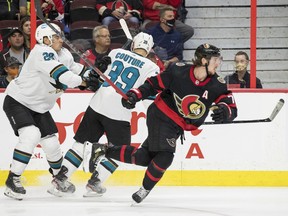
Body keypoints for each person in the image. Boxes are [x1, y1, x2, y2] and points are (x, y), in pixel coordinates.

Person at [85, 43, 238, 203]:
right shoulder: (179, 71)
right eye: (215, 59)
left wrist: (224, 112)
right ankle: (144, 189)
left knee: (144, 157)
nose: (219, 62)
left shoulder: (217, 84)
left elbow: (231, 106)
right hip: (161, 115)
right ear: (204, 61)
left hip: (176, 125)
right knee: (165, 156)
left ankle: (102, 151)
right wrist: (136, 94)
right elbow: (153, 84)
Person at [49, 32, 160, 197]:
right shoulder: (152, 67)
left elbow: (101, 80)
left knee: (81, 143)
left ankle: (60, 180)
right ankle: (95, 183)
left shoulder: (116, 53)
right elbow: (149, 98)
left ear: (133, 44)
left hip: (97, 103)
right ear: (149, 49)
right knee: (121, 151)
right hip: (118, 112)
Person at [2, 23, 100, 200]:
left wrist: (94, 72)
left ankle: (58, 180)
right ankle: (12, 180)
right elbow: (64, 76)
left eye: (60, 36)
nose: (60, 39)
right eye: (55, 37)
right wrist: (85, 82)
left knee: (52, 144)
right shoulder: (41, 52)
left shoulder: (63, 53)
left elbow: (77, 70)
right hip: (18, 101)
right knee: (31, 135)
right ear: (45, 39)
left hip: (38, 107)